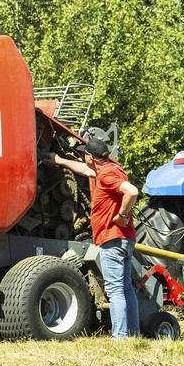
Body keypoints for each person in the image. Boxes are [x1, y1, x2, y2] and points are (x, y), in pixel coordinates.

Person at [47, 138, 140, 339]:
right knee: (125, 288)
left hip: (112, 238)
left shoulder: (106, 175)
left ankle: (121, 338)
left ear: (91, 157)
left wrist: (122, 216)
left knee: (115, 290)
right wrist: (60, 161)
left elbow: (132, 191)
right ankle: (132, 334)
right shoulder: (110, 168)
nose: (83, 158)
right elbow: (86, 170)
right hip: (124, 239)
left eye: (84, 155)